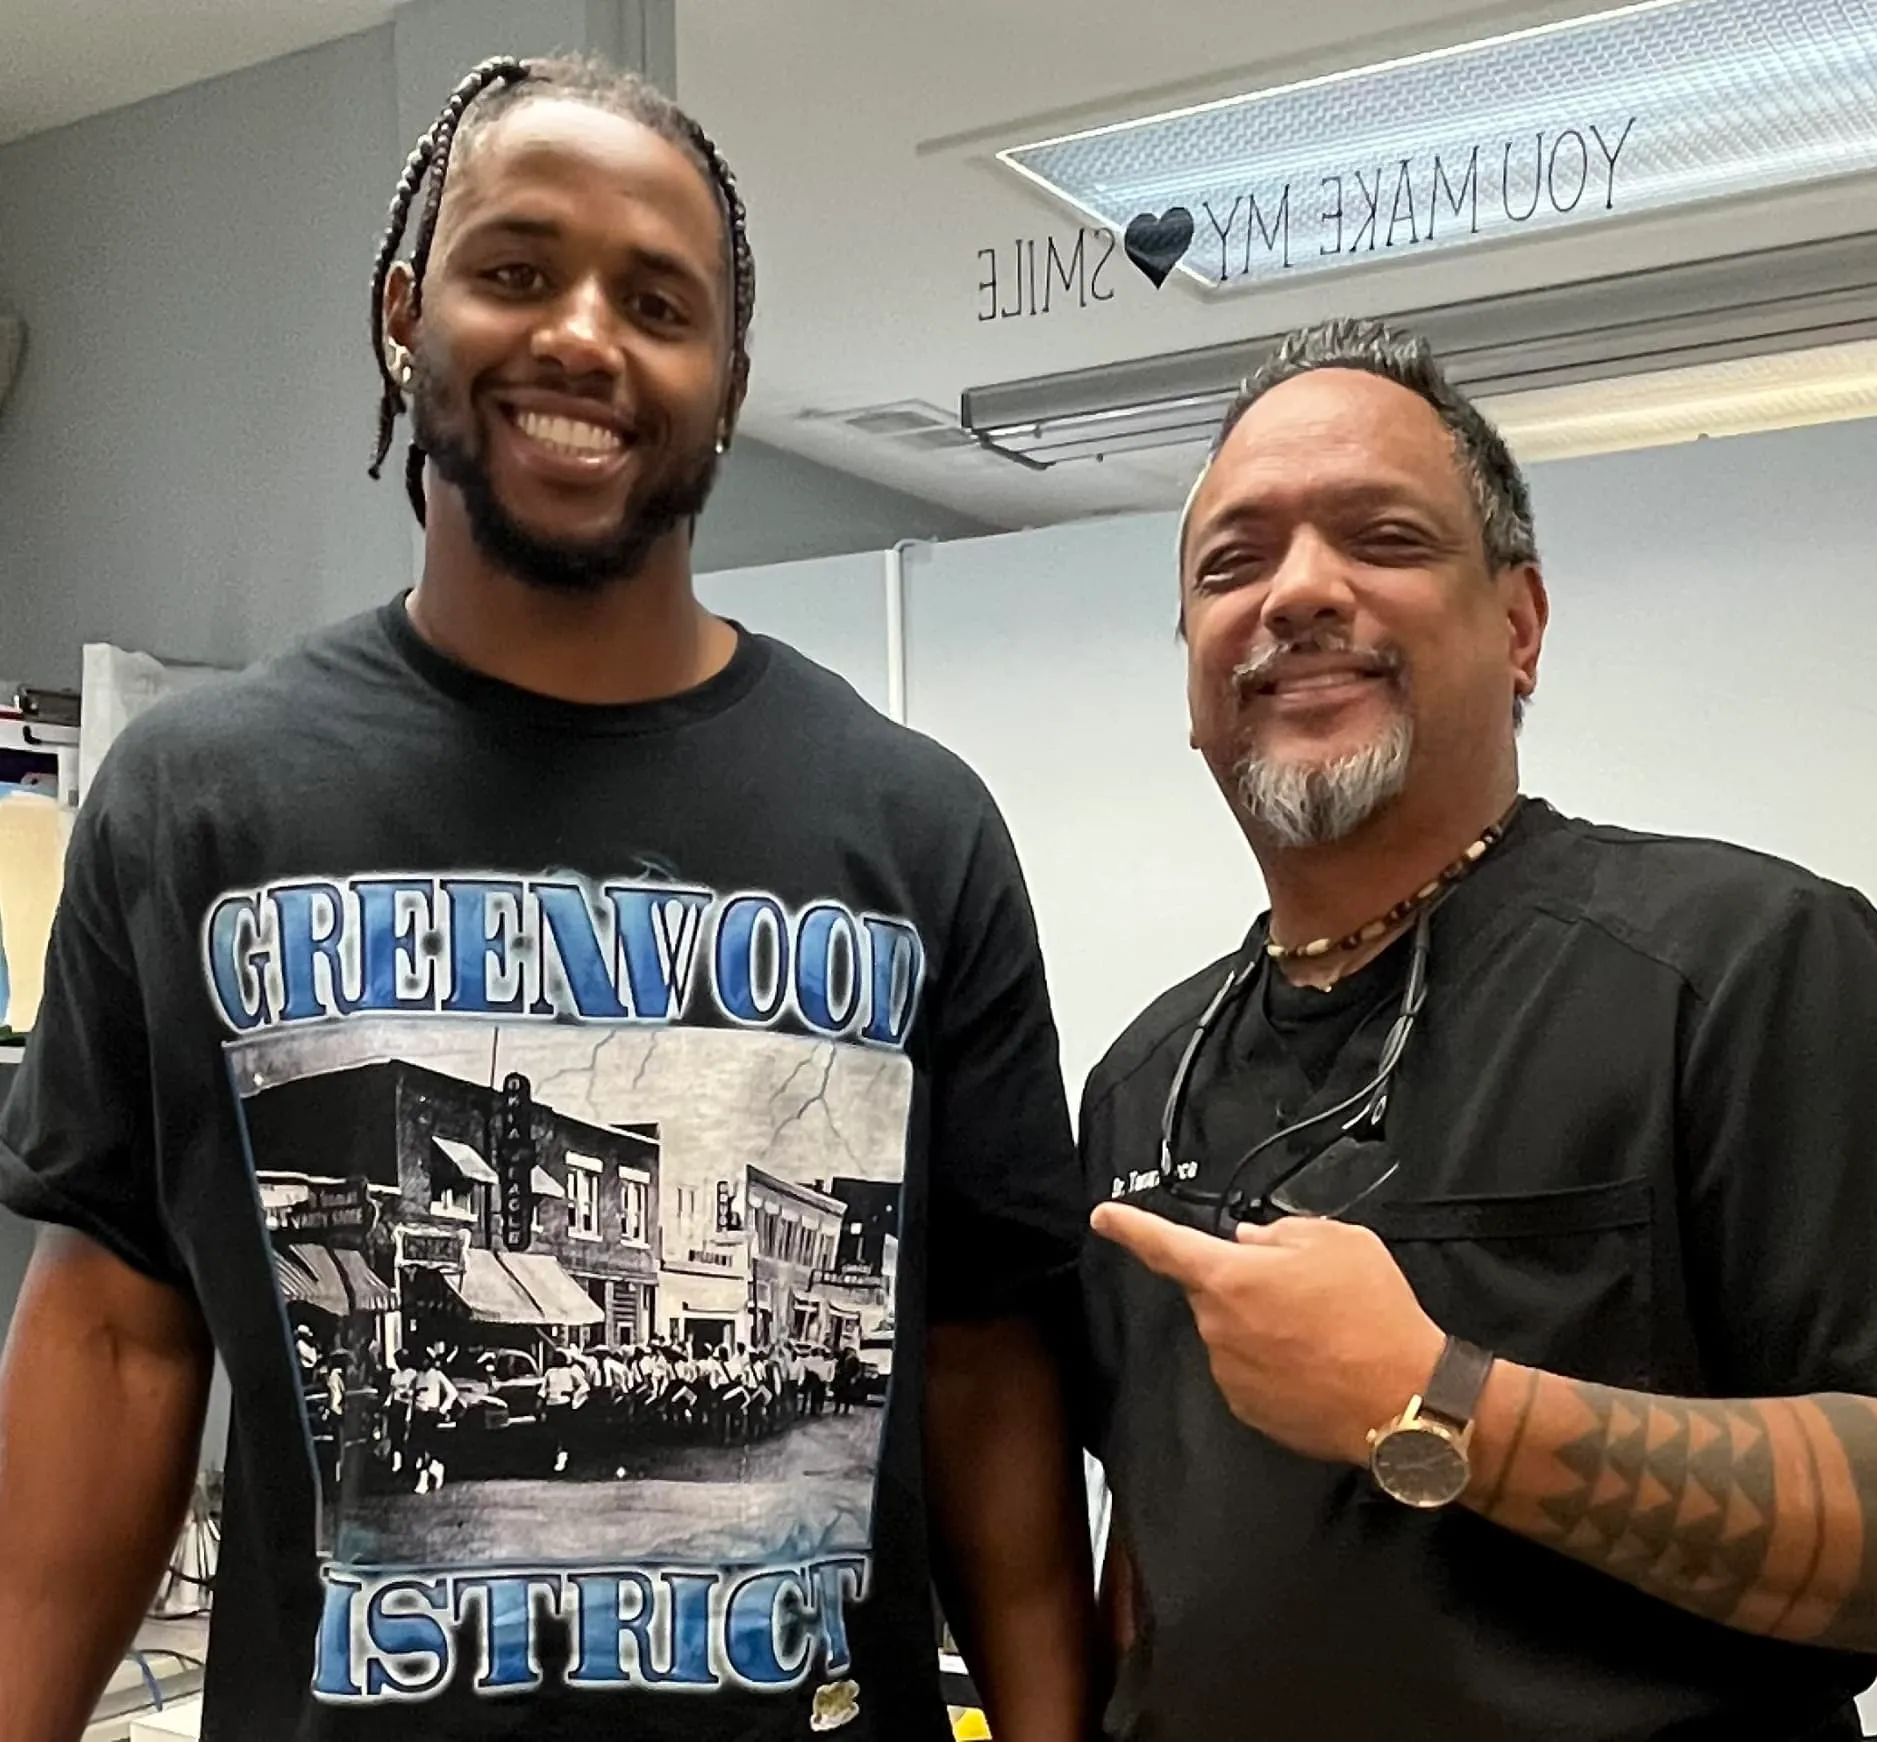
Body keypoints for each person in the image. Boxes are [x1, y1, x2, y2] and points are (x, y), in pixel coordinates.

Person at [0, 53, 1093, 1742]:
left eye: (659, 301)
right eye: (514, 270)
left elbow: (981, 1378)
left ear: (726, 383)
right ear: (402, 312)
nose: (583, 335)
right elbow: (118, 1345)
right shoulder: (190, 802)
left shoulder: (917, 827)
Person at [1080, 316, 1877, 1742]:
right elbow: (1165, 1555)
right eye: (1233, 562)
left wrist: (1437, 1399)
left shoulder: (1742, 968)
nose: (1296, 592)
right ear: (1192, 675)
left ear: (1519, 627)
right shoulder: (1145, 1079)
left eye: (1382, 536)